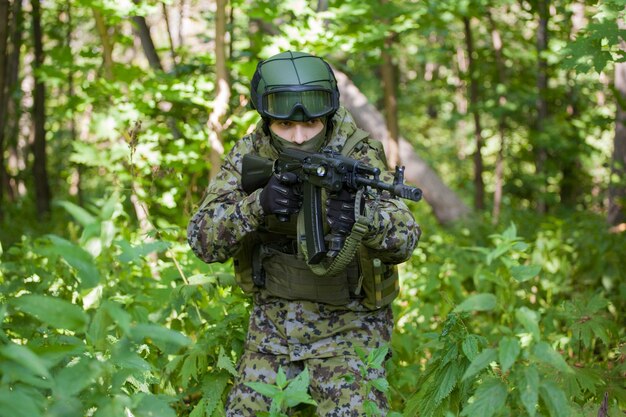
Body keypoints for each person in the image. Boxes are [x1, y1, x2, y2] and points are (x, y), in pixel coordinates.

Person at [187, 51, 420, 416]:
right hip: (272, 326)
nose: (298, 137)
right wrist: (257, 205)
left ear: (327, 115)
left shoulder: (357, 154)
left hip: (350, 329)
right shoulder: (250, 153)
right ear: (266, 120)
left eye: (311, 124)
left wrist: (364, 219)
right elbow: (202, 239)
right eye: (284, 126)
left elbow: (405, 238)